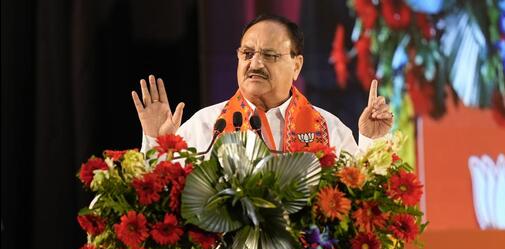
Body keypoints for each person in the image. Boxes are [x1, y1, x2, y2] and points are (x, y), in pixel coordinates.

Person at [132, 14, 393, 155]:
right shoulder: (206, 126)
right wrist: (156, 141)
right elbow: (161, 200)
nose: (255, 64)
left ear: (297, 65)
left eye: (269, 55)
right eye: (247, 54)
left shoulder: (328, 129)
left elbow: (362, 203)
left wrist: (373, 141)